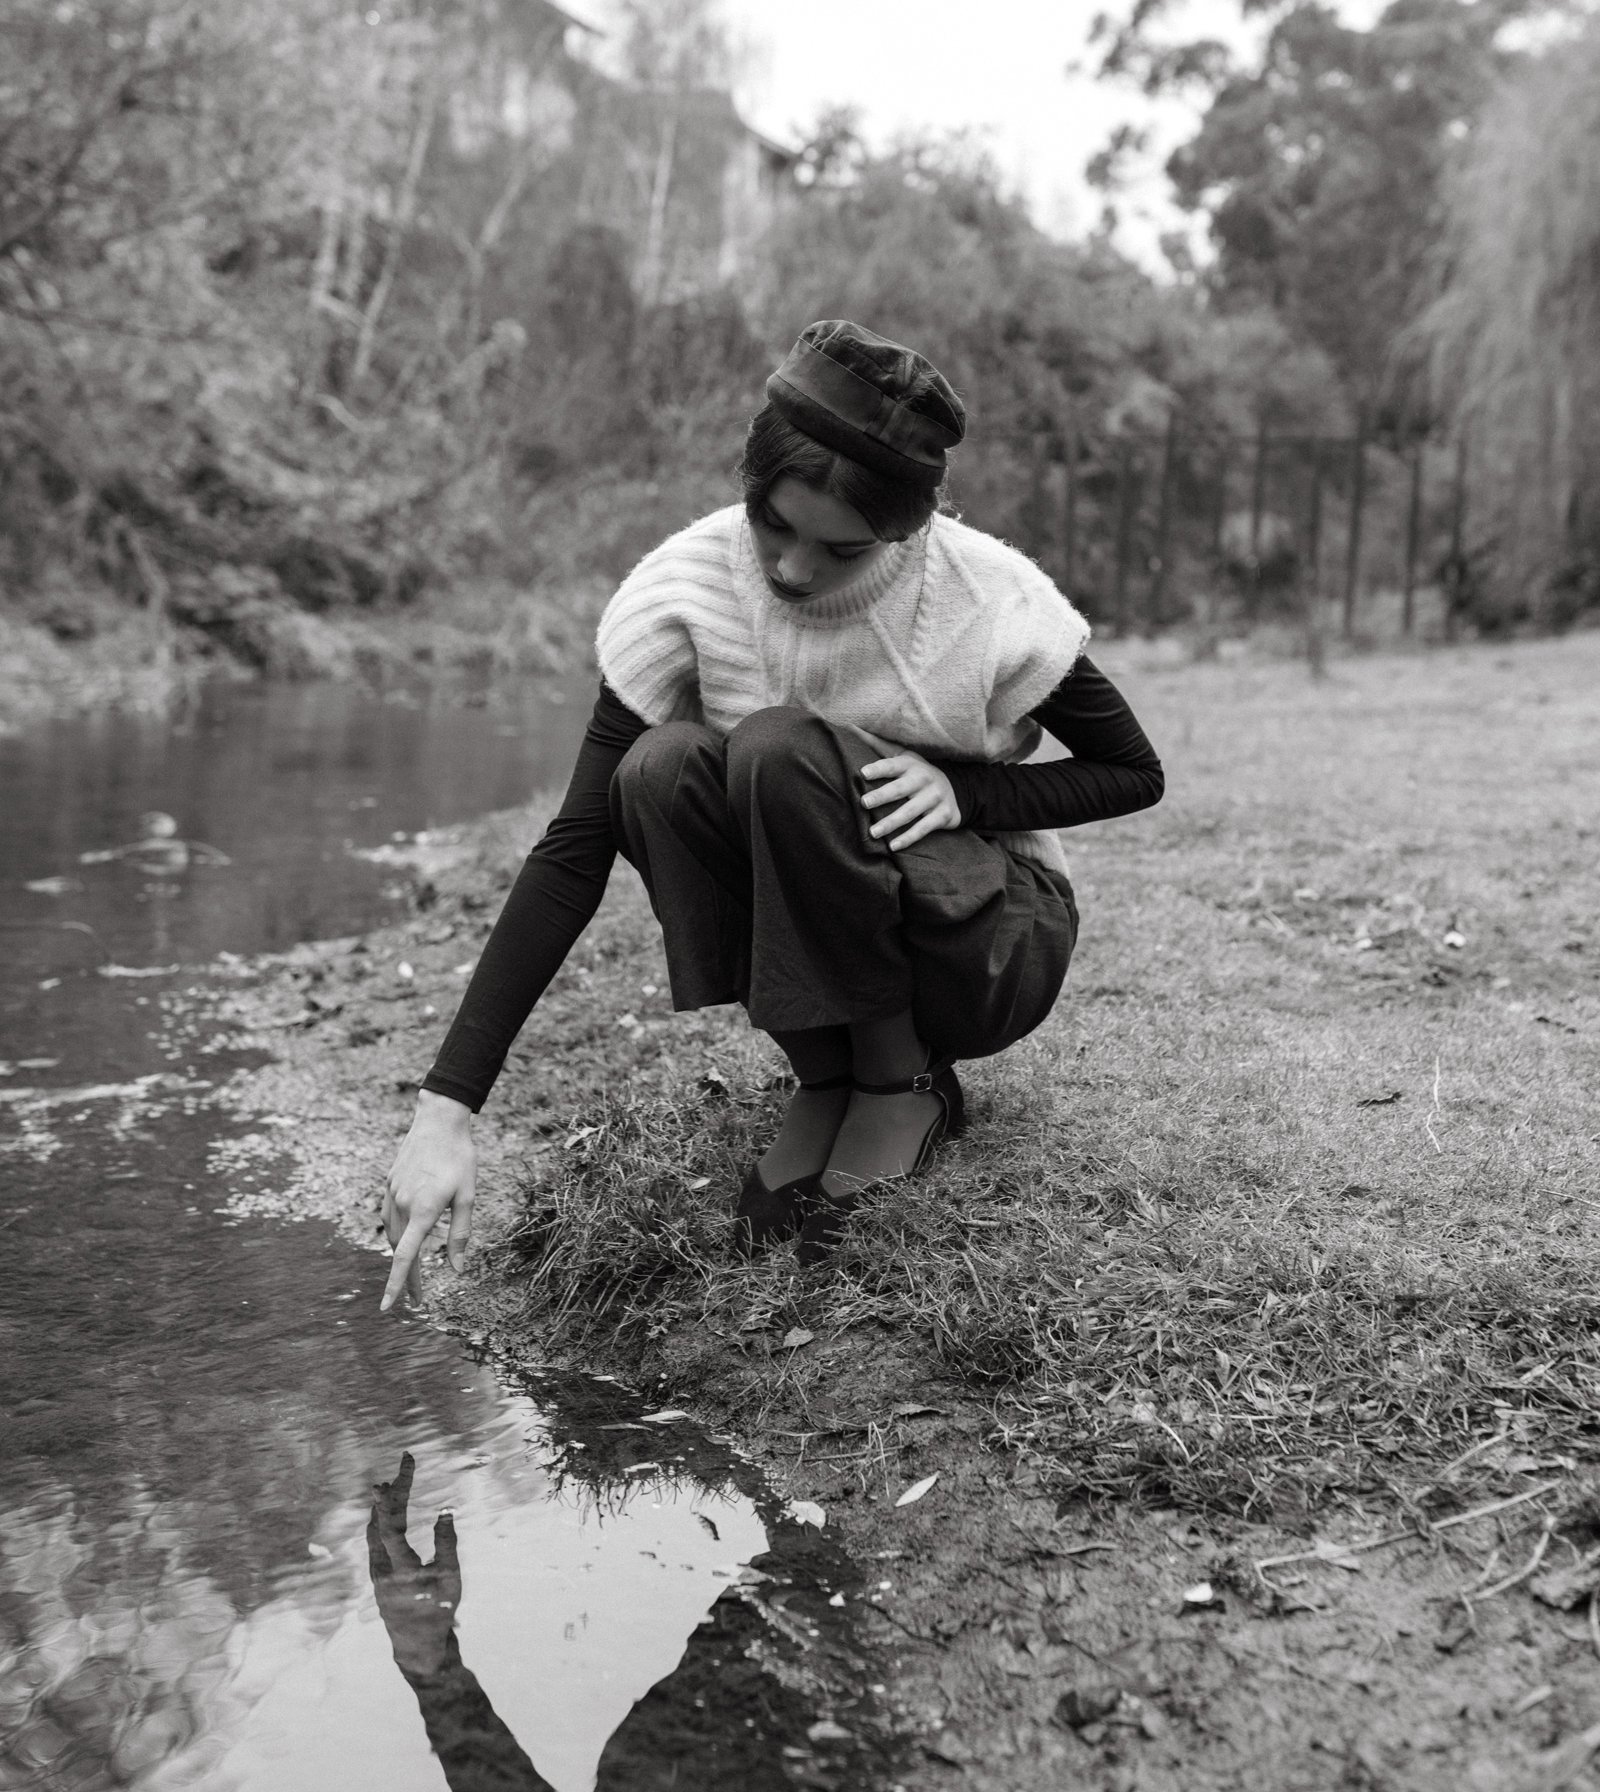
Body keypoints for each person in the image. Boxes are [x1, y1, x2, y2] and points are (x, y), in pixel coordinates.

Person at [381, 320, 1163, 1302]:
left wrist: (967, 790)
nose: (792, 569)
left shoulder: (987, 599)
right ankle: (825, 1073)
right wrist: (445, 1110)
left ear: (909, 528)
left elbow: (1132, 771)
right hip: (843, 927)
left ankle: (902, 1080)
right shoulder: (691, 587)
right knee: (656, 771)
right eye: (771, 524)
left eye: (837, 548)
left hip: (986, 938)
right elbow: (577, 844)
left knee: (778, 746)